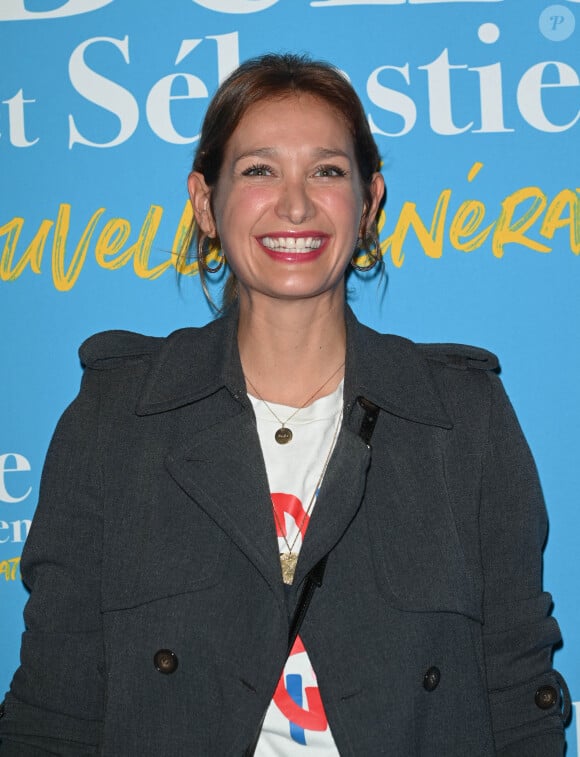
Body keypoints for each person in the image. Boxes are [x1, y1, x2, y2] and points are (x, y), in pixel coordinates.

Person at [0, 53, 569, 756]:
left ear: (369, 203)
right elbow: (53, 711)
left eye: (327, 171)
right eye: (259, 170)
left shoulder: (463, 418)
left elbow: (519, 696)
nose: (295, 205)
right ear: (206, 203)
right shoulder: (114, 419)